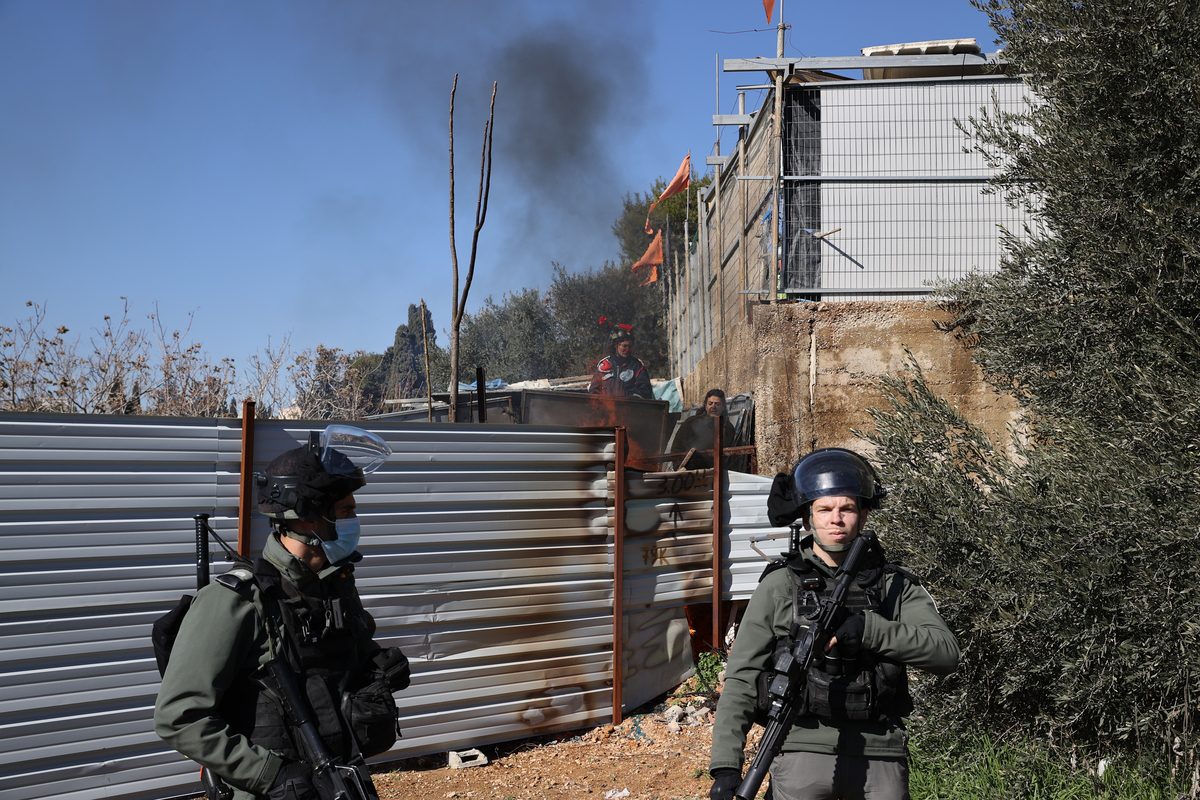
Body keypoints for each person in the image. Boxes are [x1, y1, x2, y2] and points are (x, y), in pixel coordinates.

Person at [154, 426, 409, 800]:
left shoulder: (332, 586)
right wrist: (269, 775)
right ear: (308, 517)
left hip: (338, 779)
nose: (354, 521)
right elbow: (178, 717)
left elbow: (329, 673)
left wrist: (377, 669)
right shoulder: (234, 601)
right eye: (346, 511)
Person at [708, 448, 960, 800]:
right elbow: (742, 677)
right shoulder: (780, 584)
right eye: (824, 509)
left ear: (864, 515)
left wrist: (868, 630)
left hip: (879, 753)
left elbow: (946, 654)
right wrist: (726, 766)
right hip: (799, 750)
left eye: (847, 509)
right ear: (807, 517)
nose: (836, 520)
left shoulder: (893, 585)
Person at [673, 388, 737, 469]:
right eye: (710, 403)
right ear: (706, 406)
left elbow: (728, 455)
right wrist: (680, 467)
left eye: (717, 404)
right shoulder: (691, 423)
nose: (713, 407)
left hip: (715, 471)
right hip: (690, 470)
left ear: (723, 407)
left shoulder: (728, 428)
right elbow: (676, 448)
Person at [588, 325, 652, 399]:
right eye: (624, 346)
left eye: (630, 346)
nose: (627, 349)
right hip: (607, 405)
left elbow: (645, 391)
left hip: (629, 405)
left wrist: (632, 398)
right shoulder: (604, 366)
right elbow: (593, 390)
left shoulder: (637, 366)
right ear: (616, 345)